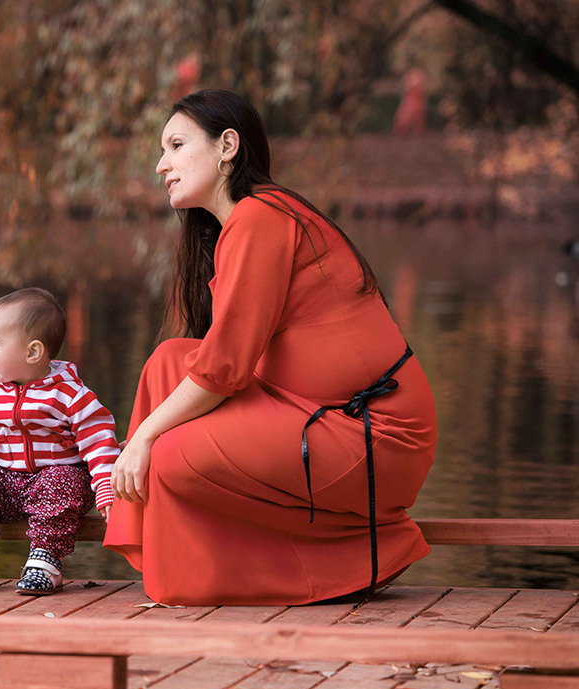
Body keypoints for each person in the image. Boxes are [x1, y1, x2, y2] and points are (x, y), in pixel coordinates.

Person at [103, 89, 437, 606]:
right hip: (318, 420)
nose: (160, 164)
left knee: (168, 455)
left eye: (174, 145)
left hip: (375, 436)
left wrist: (141, 438)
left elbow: (225, 370)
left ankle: (360, 559)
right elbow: (217, 361)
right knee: (168, 361)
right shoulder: (245, 222)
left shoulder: (261, 217)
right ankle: (172, 557)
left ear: (227, 146)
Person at [0, 287, 120, 595]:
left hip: (62, 482)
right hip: (8, 482)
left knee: (60, 482)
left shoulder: (69, 394)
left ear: (32, 353)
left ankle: (45, 561)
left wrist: (106, 488)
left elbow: (98, 441)